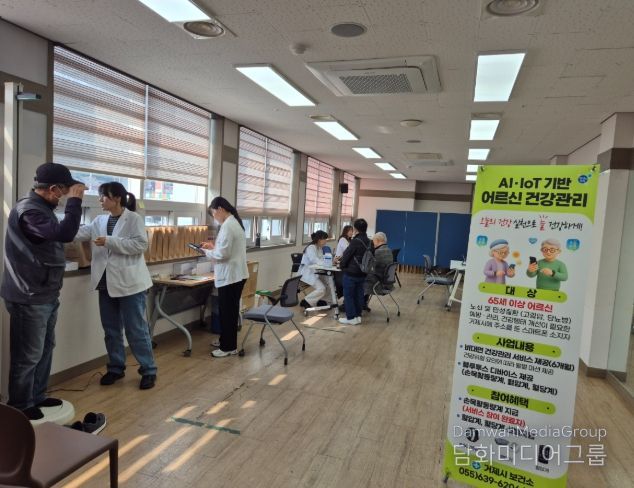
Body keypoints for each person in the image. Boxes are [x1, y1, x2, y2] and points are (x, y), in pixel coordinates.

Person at [0, 162, 85, 420]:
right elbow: (65, 233)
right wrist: (75, 202)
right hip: (29, 296)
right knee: (28, 356)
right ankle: (20, 405)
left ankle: (36, 396)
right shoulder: (29, 211)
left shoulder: (42, 209)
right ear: (53, 189)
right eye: (64, 191)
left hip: (45, 293)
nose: (64, 196)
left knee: (46, 348)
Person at [75, 182, 157, 390]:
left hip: (130, 285)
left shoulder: (134, 219)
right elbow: (80, 233)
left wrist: (110, 241)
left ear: (117, 198)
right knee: (111, 330)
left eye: (103, 196)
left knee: (136, 330)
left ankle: (148, 370)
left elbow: (140, 245)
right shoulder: (99, 220)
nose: (100, 200)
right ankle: (116, 367)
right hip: (105, 284)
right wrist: (57, 229)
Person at [201, 197, 249, 357]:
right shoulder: (233, 223)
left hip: (231, 277)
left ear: (220, 209)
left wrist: (206, 252)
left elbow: (223, 254)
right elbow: (226, 249)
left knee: (227, 313)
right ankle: (226, 341)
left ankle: (228, 347)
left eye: (214, 213)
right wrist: (213, 248)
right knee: (229, 312)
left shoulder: (228, 226)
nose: (214, 217)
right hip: (235, 275)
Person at [338, 218, 370, 325]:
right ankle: (358, 316)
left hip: (351, 273)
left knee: (349, 295)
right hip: (363, 272)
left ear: (356, 229)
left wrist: (342, 266)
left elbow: (346, 256)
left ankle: (351, 318)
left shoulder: (355, 241)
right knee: (359, 295)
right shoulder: (369, 241)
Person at [298, 230, 334, 308]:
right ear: (319, 239)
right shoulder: (311, 247)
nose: (325, 241)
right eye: (324, 239)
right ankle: (306, 301)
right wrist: (326, 263)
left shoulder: (319, 248)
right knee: (321, 288)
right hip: (308, 273)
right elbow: (314, 260)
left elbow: (321, 259)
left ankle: (324, 301)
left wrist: (331, 261)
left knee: (329, 285)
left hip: (317, 271)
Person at [364, 232, 394, 305]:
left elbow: (368, 267)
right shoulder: (389, 250)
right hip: (388, 282)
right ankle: (364, 303)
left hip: (379, 283)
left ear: (377, 240)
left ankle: (360, 304)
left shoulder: (377, 252)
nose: (373, 243)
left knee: (359, 279)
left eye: (373, 241)